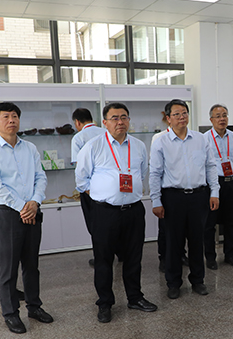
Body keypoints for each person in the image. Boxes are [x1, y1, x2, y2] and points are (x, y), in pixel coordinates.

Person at [75, 103, 157, 323]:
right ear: (105, 122)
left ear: (129, 120)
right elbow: (81, 179)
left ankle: (135, 297)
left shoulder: (138, 145)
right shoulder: (93, 146)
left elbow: (142, 172)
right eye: (114, 118)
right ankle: (105, 303)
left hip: (133, 210)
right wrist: (101, 192)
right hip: (105, 212)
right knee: (103, 259)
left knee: (134, 257)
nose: (120, 122)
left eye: (124, 117)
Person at [0, 102, 52, 334]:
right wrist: (23, 207)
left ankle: (34, 307)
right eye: (6, 117)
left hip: (31, 210)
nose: (11, 120)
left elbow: (40, 177)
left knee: (31, 265)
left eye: (15, 116)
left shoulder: (29, 147)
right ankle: (10, 313)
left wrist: (35, 202)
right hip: (7, 214)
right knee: (7, 267)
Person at [150, 99, 220, 299]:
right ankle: (173, 283)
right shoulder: (160, 141)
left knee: (197, 241)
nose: (181, 117)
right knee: (173, 242)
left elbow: (210, 166)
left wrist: (214, 192)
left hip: (199, 196)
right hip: (173, 197)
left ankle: (198, 280)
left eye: (184, 113)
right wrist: (156, 201)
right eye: (177, 114)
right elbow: (154, 173)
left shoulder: (200, 139)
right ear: (168, 118)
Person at [203, 104, 233, 269]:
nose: (222, 119)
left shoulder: (232, 136)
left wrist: (230, 174)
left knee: (230, 222)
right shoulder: (205, 138)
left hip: (231, 182)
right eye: (218, 116)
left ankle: (230, 255)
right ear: (211, 120)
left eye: (224, 115)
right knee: (210, 223)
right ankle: (210, 258)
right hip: (213, 184)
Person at [70, 108, 104, 268]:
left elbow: (79, 167)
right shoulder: (105, 132)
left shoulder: (79, 137)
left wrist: (87, 189)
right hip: (109, 187)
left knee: (95, 224)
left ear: (77, 122)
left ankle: (100, 258)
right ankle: (120, 253)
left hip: (90, 189)